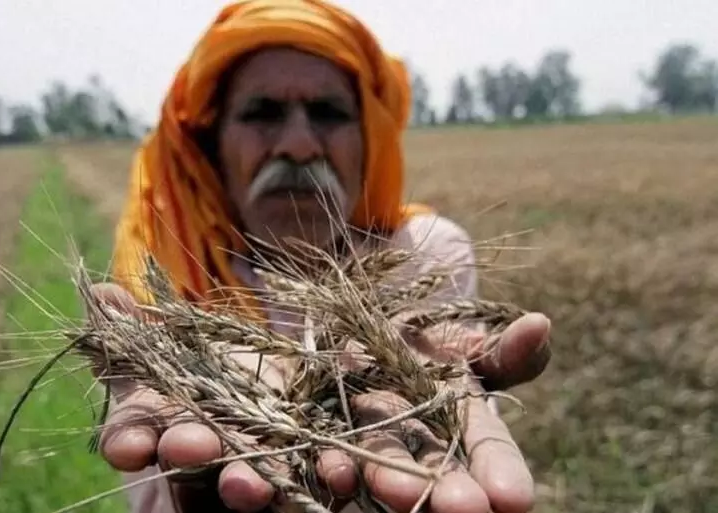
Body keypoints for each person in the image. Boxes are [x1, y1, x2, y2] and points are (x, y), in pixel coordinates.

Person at [89, 1, 552, 512]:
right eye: (262, 113)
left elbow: (437, 409)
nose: (299, 144)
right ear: (212, 146)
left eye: (329, 113)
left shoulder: (425, 254)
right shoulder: (169, 267)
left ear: (369, 139)